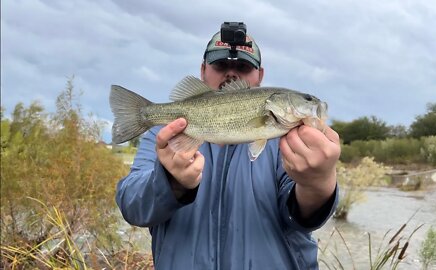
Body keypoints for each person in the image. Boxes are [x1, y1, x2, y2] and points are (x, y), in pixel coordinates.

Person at [116, 25, 340, 270]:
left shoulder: (290, 141)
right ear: (202, 70)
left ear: (260, 75)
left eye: (243, 67)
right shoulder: (164, 136)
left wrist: (317, 183)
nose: (231, 74)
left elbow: (301, 217)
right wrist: (171, 183)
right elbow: (132, 205)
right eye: (221, 66)